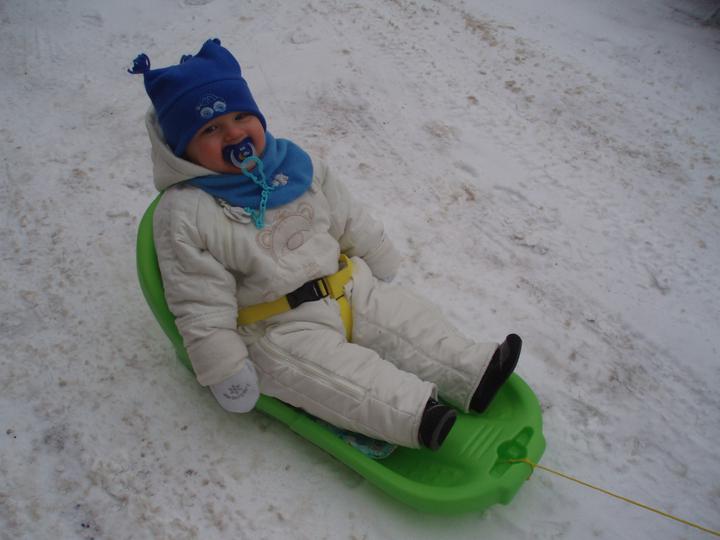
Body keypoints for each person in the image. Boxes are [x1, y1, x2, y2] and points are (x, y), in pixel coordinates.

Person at [129, 38, 522, 451]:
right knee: (336, 378)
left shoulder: (295, 165)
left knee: (409, 323)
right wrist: (224, 369)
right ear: (184, 148)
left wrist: (377, 254)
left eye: (241, 116)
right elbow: (198, 301)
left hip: (347, 286)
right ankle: (417, 417)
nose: (234, 133)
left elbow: (346, 216)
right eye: (210, 129)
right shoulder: (187, 211)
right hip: (278, 326)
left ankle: (472, 371)